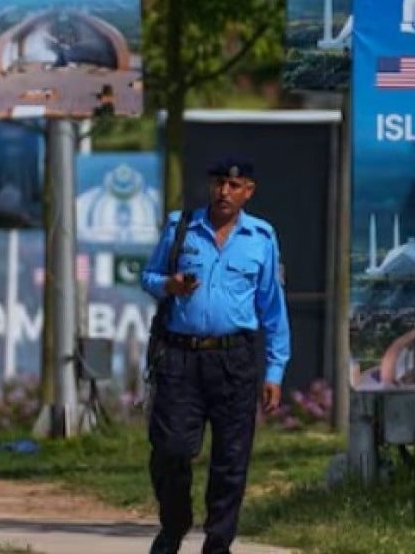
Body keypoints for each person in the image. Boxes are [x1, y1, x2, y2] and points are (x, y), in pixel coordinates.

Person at [139, 156, 290, 554]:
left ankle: (218, 543)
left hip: (233, 360)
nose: (225, 191)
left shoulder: (261, 237)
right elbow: (148, 277)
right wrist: (169, 284)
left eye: (234, 186)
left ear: (248, 192)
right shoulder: (181, 226)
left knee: (231, 459)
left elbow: (272, 308)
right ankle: (174, 524)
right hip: (180, 357)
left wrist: (274, 371)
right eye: (219, 183)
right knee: (170, 449)